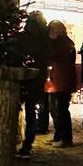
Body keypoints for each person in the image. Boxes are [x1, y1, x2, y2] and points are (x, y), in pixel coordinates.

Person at [16, 11, 51, 157]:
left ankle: (17, 142)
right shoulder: (45, 40)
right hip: (37, 79)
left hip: (22, 78)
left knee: (19, 110)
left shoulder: (23, 38)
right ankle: (27, 146)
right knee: (31, 113)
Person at [45, 20, 78, 147]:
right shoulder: (65, 43)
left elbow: (53, 56)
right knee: (54, 109)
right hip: (57, 79)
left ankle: (66, 138)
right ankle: (59, 135)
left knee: (61, 109)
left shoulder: (62, 44)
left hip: (61, 80)